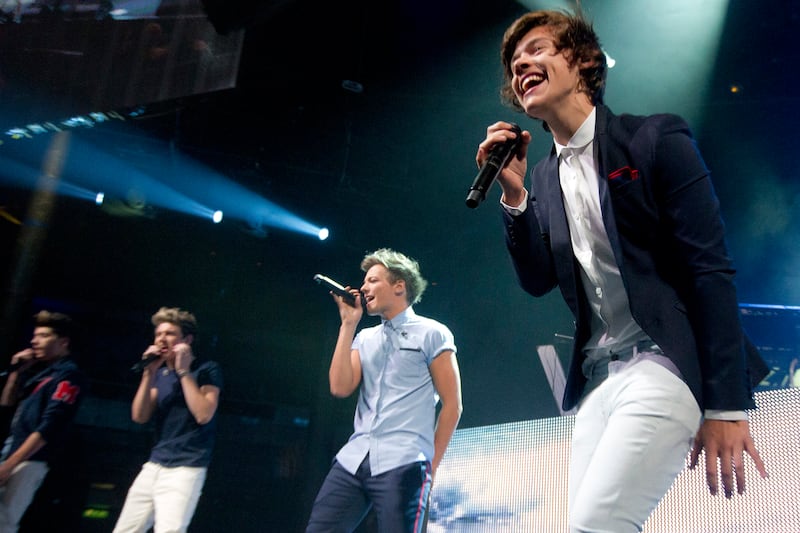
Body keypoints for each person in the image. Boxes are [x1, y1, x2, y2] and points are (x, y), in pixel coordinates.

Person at [475, 9, 770, 532]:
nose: (521, 66)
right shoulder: (542, 177)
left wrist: (726, 406)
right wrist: (515, 197)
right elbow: (538, 280)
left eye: (537, 50)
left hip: (665, 362)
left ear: (584, 60)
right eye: (515, 63)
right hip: (597, 379)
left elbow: (709, 270)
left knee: (595, 525)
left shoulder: (653, 139)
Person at [306, 248, 463, 533]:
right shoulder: (365, 337)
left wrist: (430, 466)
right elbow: (339, 387)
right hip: (353, 461)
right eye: (364, 282)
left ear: (399, 286)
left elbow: (452, 405)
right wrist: (348, 324)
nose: (364, 287)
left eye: (373, 280)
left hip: (404, 461)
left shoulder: (432, 333)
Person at [113, 307, 222, 533]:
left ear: (187, 340)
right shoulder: (161, 374)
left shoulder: (206, 370)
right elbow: (140, 416)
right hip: (155, 464)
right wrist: (149, 373)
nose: (162, 339)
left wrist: (184, 372)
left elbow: (203, 414)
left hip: (186, 466)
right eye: (158, 334)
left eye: (170, 333)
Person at [0, 310, 86, 532]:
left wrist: (9, 465)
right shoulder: (43, 374)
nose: (34, 341)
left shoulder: (68, 375)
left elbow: (50, 425)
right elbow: (7, 403)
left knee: (5, 521)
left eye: (43, 336)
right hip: (12, 451)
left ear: (63, 342)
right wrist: (16, 372)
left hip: (30, 459)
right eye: (35, 335)